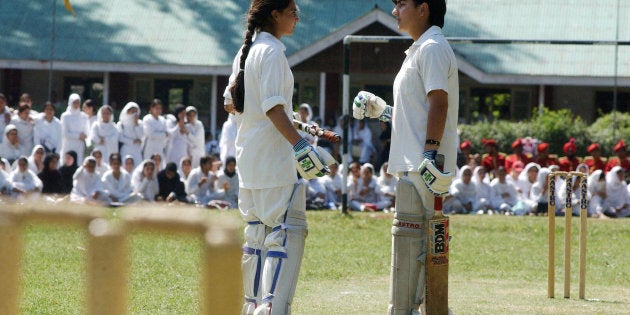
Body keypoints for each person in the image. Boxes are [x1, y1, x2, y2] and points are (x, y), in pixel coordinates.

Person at [223, 1, 330, 313]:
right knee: (278, 235)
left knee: (255, 233)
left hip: (248, 158)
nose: (297, 17)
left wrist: (303, 127)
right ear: (275, 14)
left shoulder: (246, 52)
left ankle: (250, 305)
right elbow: (272, 107)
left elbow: (233, 104)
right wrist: (300, 145)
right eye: (292, 11)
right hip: (271, 160)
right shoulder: (271, 52)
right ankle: (270, 307)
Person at [352, 0, 458, 312]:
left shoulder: (432, 48)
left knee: (417, 244)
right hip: (416, 162)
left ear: (424, 8)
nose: (395, 10)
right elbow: (417, 112)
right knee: (420, 244)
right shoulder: (419, 49)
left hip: (424, 165)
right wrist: (384, 112)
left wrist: (430, 153)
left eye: (401, 4)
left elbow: (440, 103)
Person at [60, 94, 90, 165]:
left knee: (78, 163)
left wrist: (85, 136)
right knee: (67, 163)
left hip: (79, 145)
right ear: (70, 102)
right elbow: (64, 133)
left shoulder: (84, 116)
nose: (76, 104)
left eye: (78, 102)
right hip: (68, 144)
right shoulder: (65, 116)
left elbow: (87, 132)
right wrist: (78, 136)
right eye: (74, 102)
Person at [117, 102, 144, 168]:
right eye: (132, 111)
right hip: (126, 149)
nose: (134, 113)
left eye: (136, 111)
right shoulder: (121, 124)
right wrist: (132, 141)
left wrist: (136, 124)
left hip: (137, 150)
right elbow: (120, 137)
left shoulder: (140, 123)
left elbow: (141, 136)